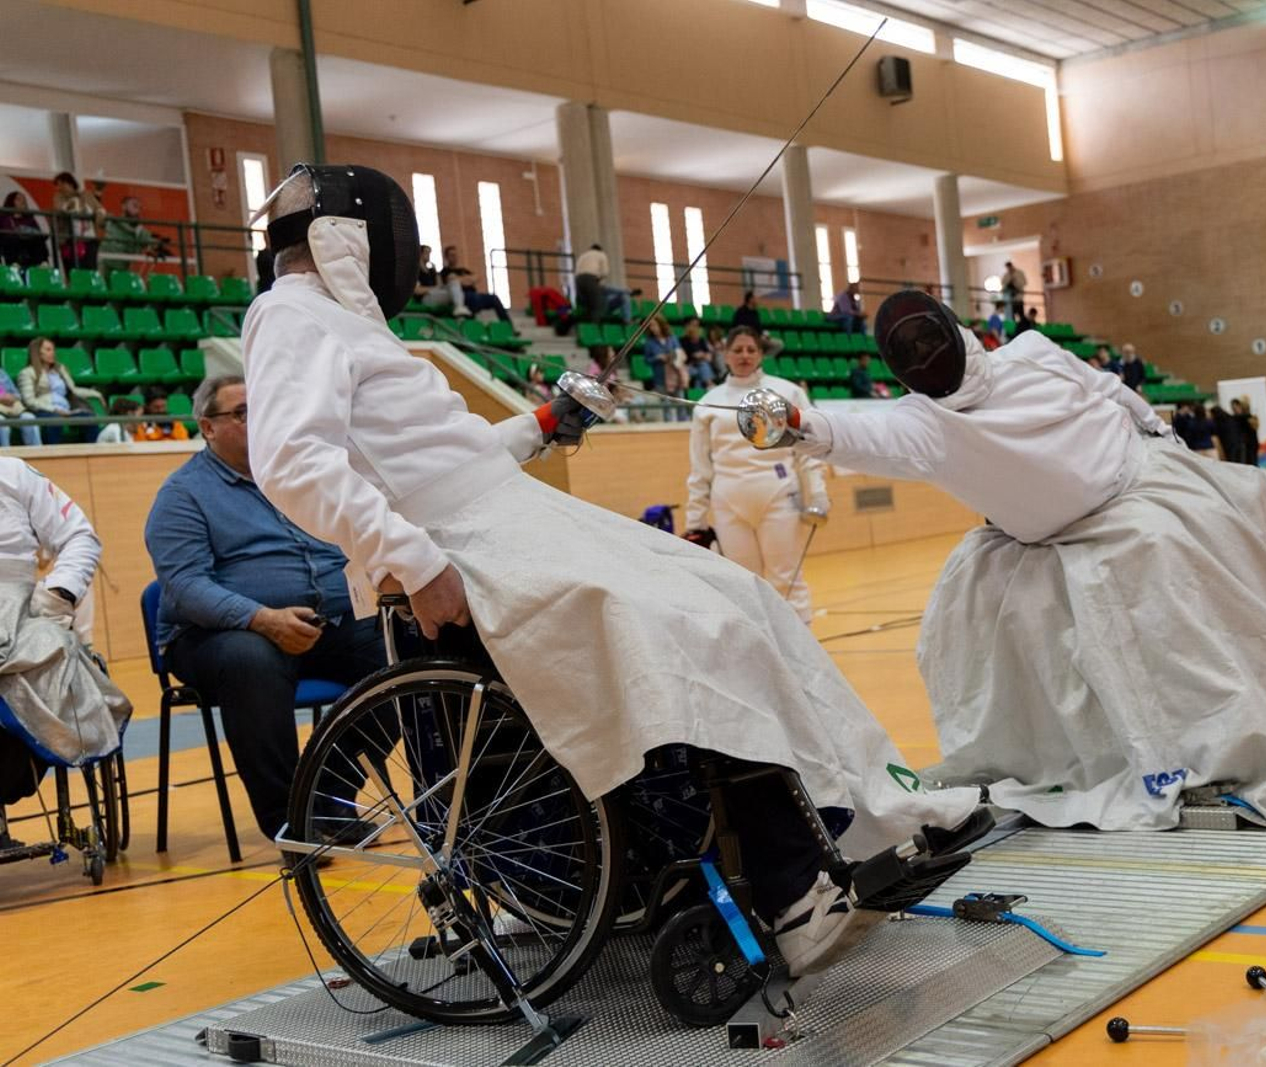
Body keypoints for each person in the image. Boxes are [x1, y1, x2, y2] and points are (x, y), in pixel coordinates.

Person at [241, 165, 980, 974]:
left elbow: (446, 458)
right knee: (698, 627)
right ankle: (786, 881)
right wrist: (412, 559)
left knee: (738, 595)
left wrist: (544, 423)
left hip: (511, 517)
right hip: (473, 547)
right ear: (350, 238)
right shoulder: (289, 316)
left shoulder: (346, 326)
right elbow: (290, 461)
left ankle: (869, 811)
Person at [744, 290, 1266, 831]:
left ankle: (1251, 732)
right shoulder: (926, 424)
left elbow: (1107, 387)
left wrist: (1161, 435)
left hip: (1140, 491)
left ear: (952, 330)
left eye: (926, 342)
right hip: (1045, 539)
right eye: (910, 353)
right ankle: (1035, 754)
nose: (924, 357)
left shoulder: (1031, 352)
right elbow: (854, 434)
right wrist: (795, 423)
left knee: (1174, 560)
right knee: (968, 594)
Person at [144, 375, 390, 845]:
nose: (255, 422)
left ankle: (327, 797)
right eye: (240, 413)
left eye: (261, 408)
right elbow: (184, 585)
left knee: (406, 649)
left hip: (325, 623)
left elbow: (354, 546)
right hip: (215, 636)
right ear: (207, 427)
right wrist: (262, 619)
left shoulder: (305, 478)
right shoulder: (183, 495)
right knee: (250, 659)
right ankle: (290, 823)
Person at [0, 456, 127, 831]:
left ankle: (16, 768)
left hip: (23, 610)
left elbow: (79, 535)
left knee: (49, 655)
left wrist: (59, 592)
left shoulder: (14, 473)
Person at [686, 325, 828, 621]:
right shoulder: (707, 403)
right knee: (743, 584)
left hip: (779, 495)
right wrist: (695, 520)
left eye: (751, 349)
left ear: (761, 354)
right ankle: (759, 658)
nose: (745, 355)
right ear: (725, 355)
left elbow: (809, 450)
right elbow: (700, 468)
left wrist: (817, 495)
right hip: (728, 502)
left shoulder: (788, 392)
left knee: (786, 580)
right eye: (737, 350)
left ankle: (801, 663)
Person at [19, 337, 101, 444]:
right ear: (37, 352)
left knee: (89, 418)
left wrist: (96, 394)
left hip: (66, 409)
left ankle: (93, 452)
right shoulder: (27, 373)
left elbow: (74, 390)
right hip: (43, 409)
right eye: (48, 350)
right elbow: (29, 401)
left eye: (53, 350)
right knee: (55, 421)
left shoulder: (60, 370)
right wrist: (53, 409)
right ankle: (52, 455)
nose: (52, 353)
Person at [440, 245, 511, 323]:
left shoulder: (463, 270)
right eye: (452, 255)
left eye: (456, 255)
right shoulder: (445, 271)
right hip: (462, 296)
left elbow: (477, 278)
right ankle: (469, 322)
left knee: (494, 298)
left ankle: (508, 325)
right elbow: (453, 281)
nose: (454, 257)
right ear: (446, 257)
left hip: (474, 295)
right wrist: (467, 279)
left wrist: (461, 279)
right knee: (473, 298)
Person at [51, 172, 103, 272]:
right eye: (57, 185)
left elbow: (100, 210)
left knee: (90, 270)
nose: (59, 188)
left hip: (90, 240)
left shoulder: (87, 195)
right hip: (69, 241)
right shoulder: (58, 197)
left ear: (70, 183)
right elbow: (61, 208)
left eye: (61, 184)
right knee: (73, 271)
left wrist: (98, 219)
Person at [101, 196, 164, 277]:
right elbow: (99, 220)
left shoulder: (140, 231)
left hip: (122, 270)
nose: (137, 210)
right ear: (123, 206)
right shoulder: (112, 221)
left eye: (139, 208)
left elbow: (149, 241)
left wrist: (157, 244)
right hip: (104, 264)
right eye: (134, 205)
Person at [572, 243, 632, 324]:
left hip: (578, 280)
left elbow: (577, 271)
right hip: (591, 279)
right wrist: (598, 279)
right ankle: (595, 326)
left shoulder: (583, 256)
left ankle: (588, 322)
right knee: (597, 306)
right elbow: (605, 272)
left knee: (589, 304)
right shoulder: (601, 254)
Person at [643, 315, 688, 421]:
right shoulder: (649, 343)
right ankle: (669, 424)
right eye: (650, 326)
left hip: (675, 375)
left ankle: (682, 423)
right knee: (666, 405)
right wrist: (657, 358)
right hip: (660, 376)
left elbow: (680, 353)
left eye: (654, 325)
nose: (652, 328)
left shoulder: (672, 338)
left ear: (660, 325)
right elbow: (647, 360)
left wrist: (672, 356)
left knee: (680, 402)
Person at [415, 244, 469, 317]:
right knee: (456, 295)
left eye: (429, 253)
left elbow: (439, 285)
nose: (428, 255)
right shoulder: (416, 271)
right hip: (426, 297)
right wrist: (434, 288)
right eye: (426, 253)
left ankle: (459, 307)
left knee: (454, 282)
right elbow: (417, 291)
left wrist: (437, 274)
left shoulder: (431, 271)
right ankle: (459, 307)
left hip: (437, 293)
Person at [0, 192, 49, 268]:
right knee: (11, 240)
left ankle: (42, 262)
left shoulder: (29, 219)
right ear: (11, 201)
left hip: (28, 243)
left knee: (38, 240)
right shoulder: (4, 218)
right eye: (19, 199)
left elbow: (37, 232)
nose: (22, 201)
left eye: (24, 199)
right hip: (11, 242)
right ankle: (15, 263)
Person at [0, 364, 42, 448]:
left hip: (11, 409)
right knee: (2, 424)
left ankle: (36, 453)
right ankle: (5, 456)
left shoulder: (1, 373)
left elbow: (17, 394)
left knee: (29, 418)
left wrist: (11, 397)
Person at [680, 316, 716, 389]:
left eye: (697, 326)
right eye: (693, 325)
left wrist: (701, 355)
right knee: (702, 366)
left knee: (701, 370)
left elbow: (708, 356)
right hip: (688, 367)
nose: (696, 328)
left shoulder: (701, 340)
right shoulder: (682, 341)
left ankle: (699, 392)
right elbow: (685, 358)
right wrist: (698, 356)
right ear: (687, 326)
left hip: (700, 366)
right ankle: (709, 384)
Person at [1232, 396, 1261, 467]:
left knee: (1250, 463)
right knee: (1253, 463)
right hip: (1252, 443)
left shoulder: (1243, 417)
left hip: (1248, 444)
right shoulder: (1250, 417)